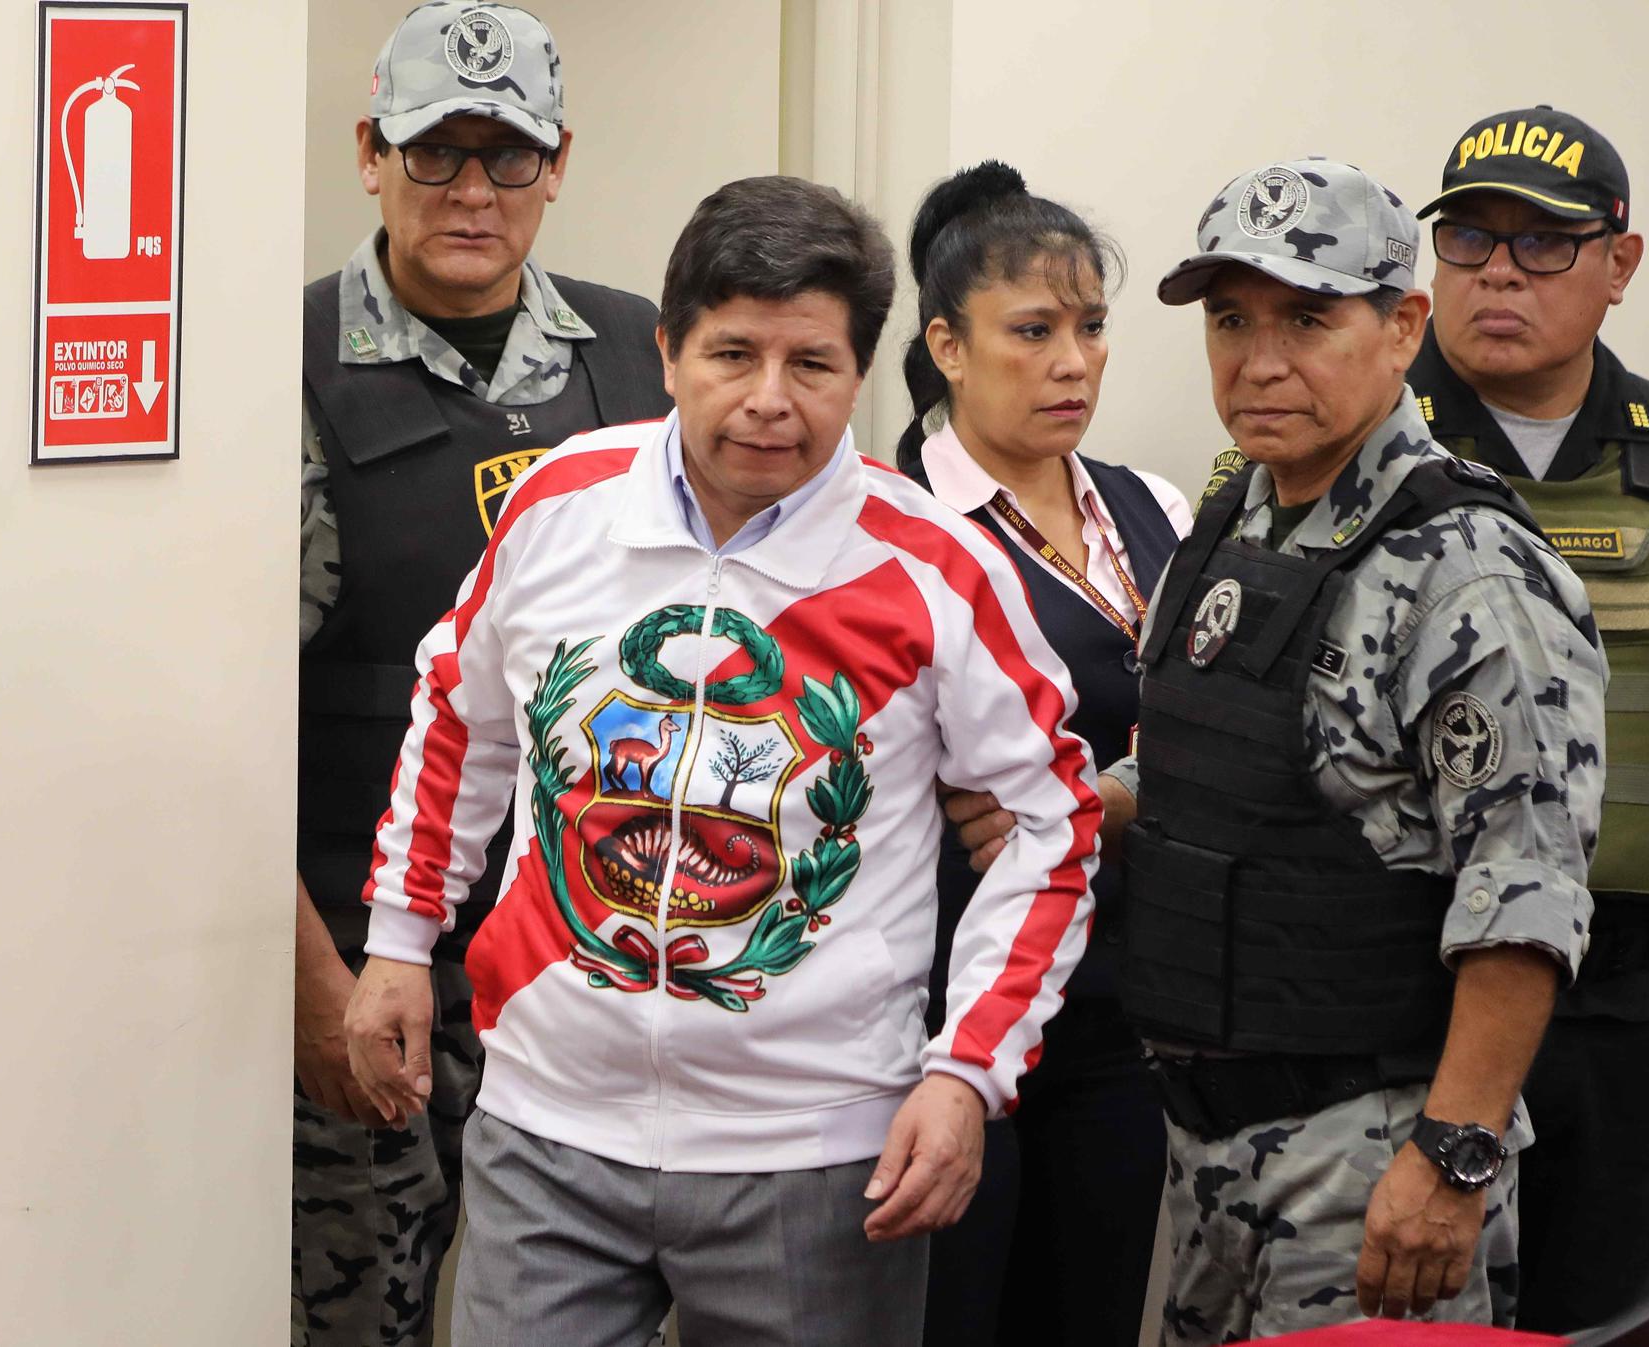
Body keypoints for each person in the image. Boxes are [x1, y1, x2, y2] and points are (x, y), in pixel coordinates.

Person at [342, 174, 1104, 1347]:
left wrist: (967, 1071)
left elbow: (1054, 823)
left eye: (812, 366)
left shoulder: (935, 568)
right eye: (731, 354)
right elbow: (462, 715)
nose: (768, 402)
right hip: (550, 1129)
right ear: (667, 350)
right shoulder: (560, 504)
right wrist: (400, 941)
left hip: (816, 1155)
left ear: (861, 371)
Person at [951, 158, 1610, 1340]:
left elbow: (1527, 892)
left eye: (1308, 319)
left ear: (1403, 326)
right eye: (1231, 321)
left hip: (1374, 1155)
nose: (1260, 361)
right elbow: (1214, 761)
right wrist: (1080, 804)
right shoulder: (1239, 519)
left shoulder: (1468, 574)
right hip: (1210, 1143)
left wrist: (1452, 1162)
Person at [293, 5, 671, 1343]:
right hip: (366, 970)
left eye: (506, 156)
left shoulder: (644, 358)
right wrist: (311, 989)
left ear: (557, 160)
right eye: (433, 151)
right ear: (368, 152)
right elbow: (223, 730)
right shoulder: (279, 369)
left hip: (595, 975)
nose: (471, 191)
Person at [1408, 105, 1649, 1333]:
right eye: (1468, 240)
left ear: (1620, 263)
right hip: (1411, 995)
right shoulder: (1358, 438)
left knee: (1620, 1306)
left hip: (1628, 994)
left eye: (1544, 243)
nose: (1499, 272)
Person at [895, 162, 1190, 1347]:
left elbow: (1225, 729)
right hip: (938, 1009)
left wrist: (1080, 799)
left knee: (1091, 1313)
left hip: (1123, 1008)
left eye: (1092, 328)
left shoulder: (1157, 508)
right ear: (949, 347)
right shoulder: (889, 518)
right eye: (1034, 331)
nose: (1074, 362)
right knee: (948, 1317)